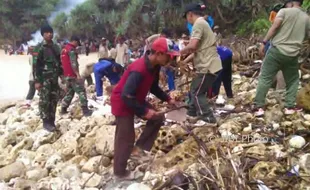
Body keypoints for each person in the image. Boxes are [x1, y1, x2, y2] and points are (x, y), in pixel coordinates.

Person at [111, 37, 179, 180]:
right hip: (123, 102)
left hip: (134, 99)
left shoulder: (154, 66)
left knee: (158, 117)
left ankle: (139, 149)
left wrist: (168, 99)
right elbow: (126, 95)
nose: (170, 60)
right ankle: (119, 172)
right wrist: (144, 111)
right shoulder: (139, 69)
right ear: (159, 54)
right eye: (168, 56)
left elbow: (153, 87)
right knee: (125, 137)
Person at [255, 0, 309, 117]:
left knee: (265, 77)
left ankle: (258, 107)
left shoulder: (284, 12)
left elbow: (274, 27)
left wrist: (264, 42)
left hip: (276, 51)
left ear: (291, 2)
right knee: (293, 80)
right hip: (293, 55)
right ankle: (289, 106)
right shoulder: (306, 18)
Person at [180, 3, 222, 124]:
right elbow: (197, 50)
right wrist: (184, 60)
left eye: (187, 17)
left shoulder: (198, 24)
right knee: (194, 88)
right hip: (209, 64)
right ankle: (191, 113)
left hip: (207, 66)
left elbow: (192, 46)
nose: (187, 20)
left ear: (190, 14)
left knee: (197, 92)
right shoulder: (203, 23)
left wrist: (178, 53)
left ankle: (208, 118)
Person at [33, 24, 63, 132]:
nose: (50, 34)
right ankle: (45, 121)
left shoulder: (56, 47)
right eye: (47, 32)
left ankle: (52, 120)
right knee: (44, 100)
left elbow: (60, 63)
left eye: (51, 32)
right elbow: (36, 66)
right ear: (43, 35)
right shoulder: (39, 47)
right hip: (44, 79)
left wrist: (62, 76)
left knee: (53, 99)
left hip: (54, 79)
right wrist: (37, 81)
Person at [60, 36, 92, 116]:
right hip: (72, 75)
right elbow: (73, 63)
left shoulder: (64, 49)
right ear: (74, 41)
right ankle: (85, 110)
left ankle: (63, 109)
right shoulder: (71, 50)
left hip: (66, 75)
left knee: (70, 93)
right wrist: (77, 74)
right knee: (81, 91)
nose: (77, 45)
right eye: (77, 43)